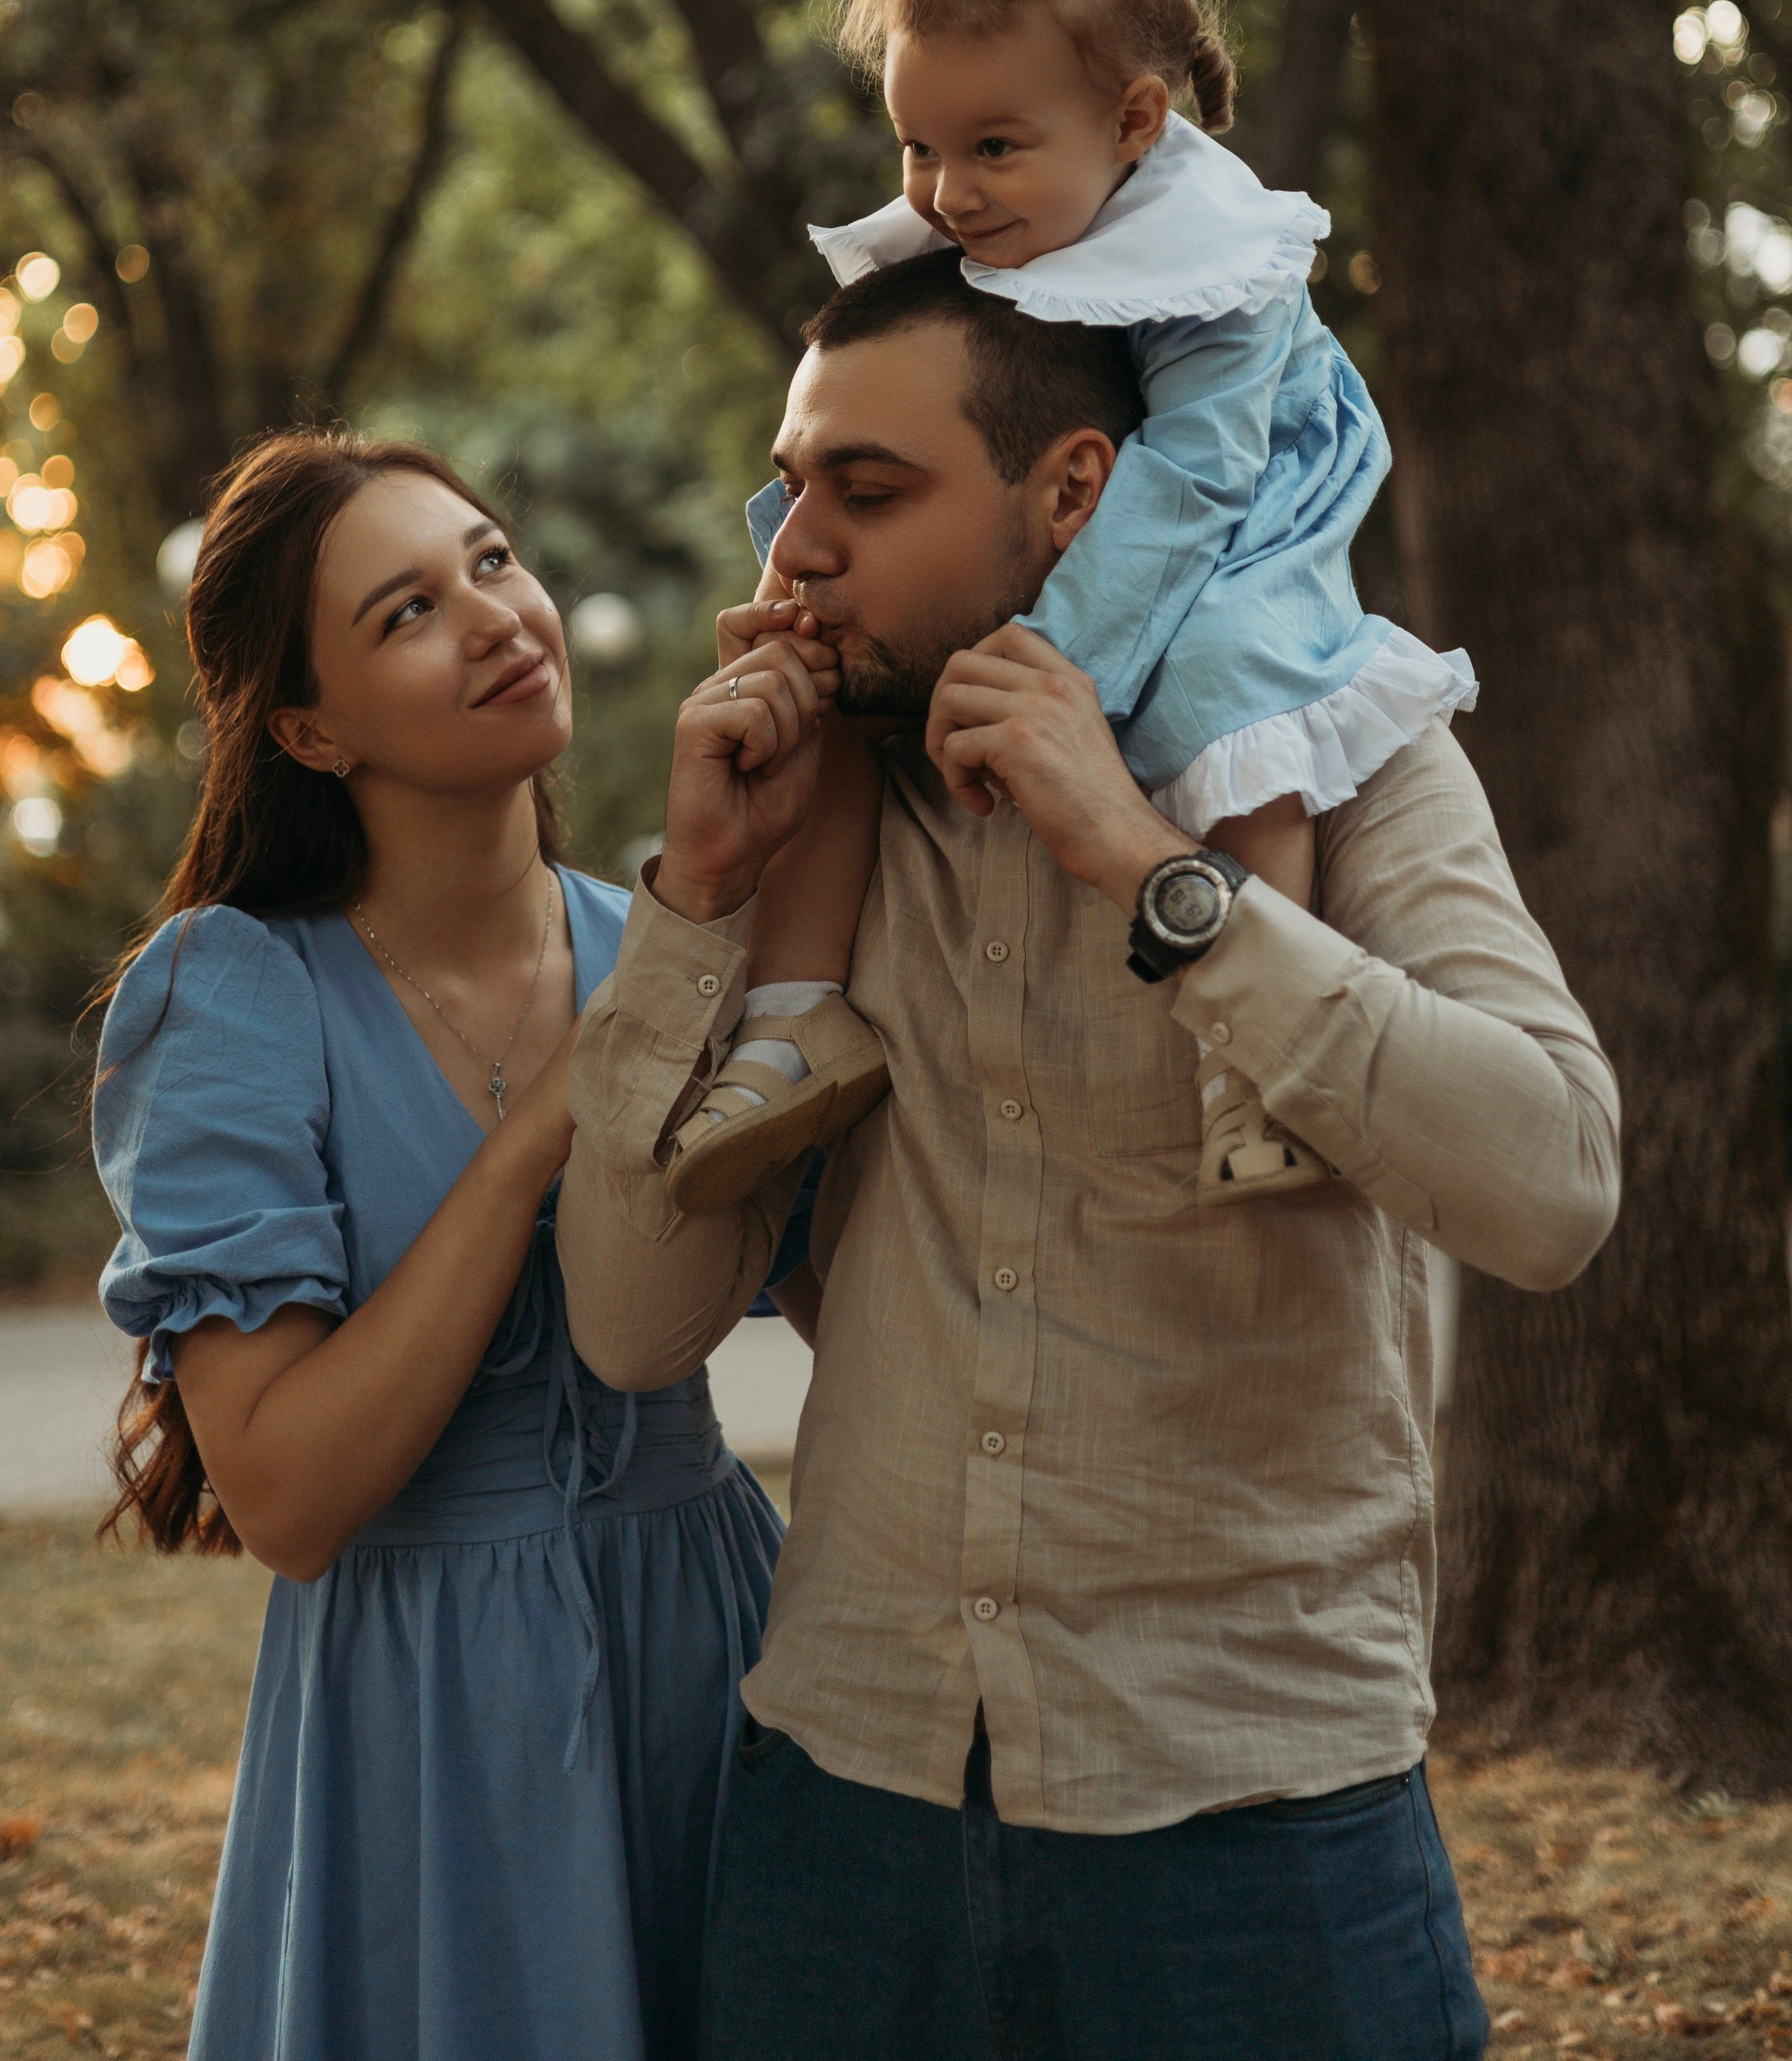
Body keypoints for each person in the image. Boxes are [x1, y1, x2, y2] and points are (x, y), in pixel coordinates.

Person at [554, 255, 1620, 2061]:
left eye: (866, 491)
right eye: (790, 486)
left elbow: (1555, 1187)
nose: (794, 548)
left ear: (1069, 491)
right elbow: (632, 1324)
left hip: (1251, 1826)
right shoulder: (811, 808)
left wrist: (1145, 864)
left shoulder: (1334, 742)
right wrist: (704, 895)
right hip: (845, 1816)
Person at [90, 432, 793, 2061]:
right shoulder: (231, 992)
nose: (495, 619)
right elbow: (290, 1500)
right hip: (426, 1715)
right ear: (309, 728)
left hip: (717, 1652)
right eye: (405, 611)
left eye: (491, 561)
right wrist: (546, 1122)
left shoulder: (665, 943)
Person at [668, 0, 1475, 1215]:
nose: (947, 191)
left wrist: (1059, 667)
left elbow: (1195, 476)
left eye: (988, 147)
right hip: (1108, 489)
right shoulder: (997, 200)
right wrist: (800, 594)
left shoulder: (1217, 263)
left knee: (1238, 686)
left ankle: (1254, 1052)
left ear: (1135, 123)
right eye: (918, 147)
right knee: (830, 675)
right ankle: (792, 1016)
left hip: (1243, 505)